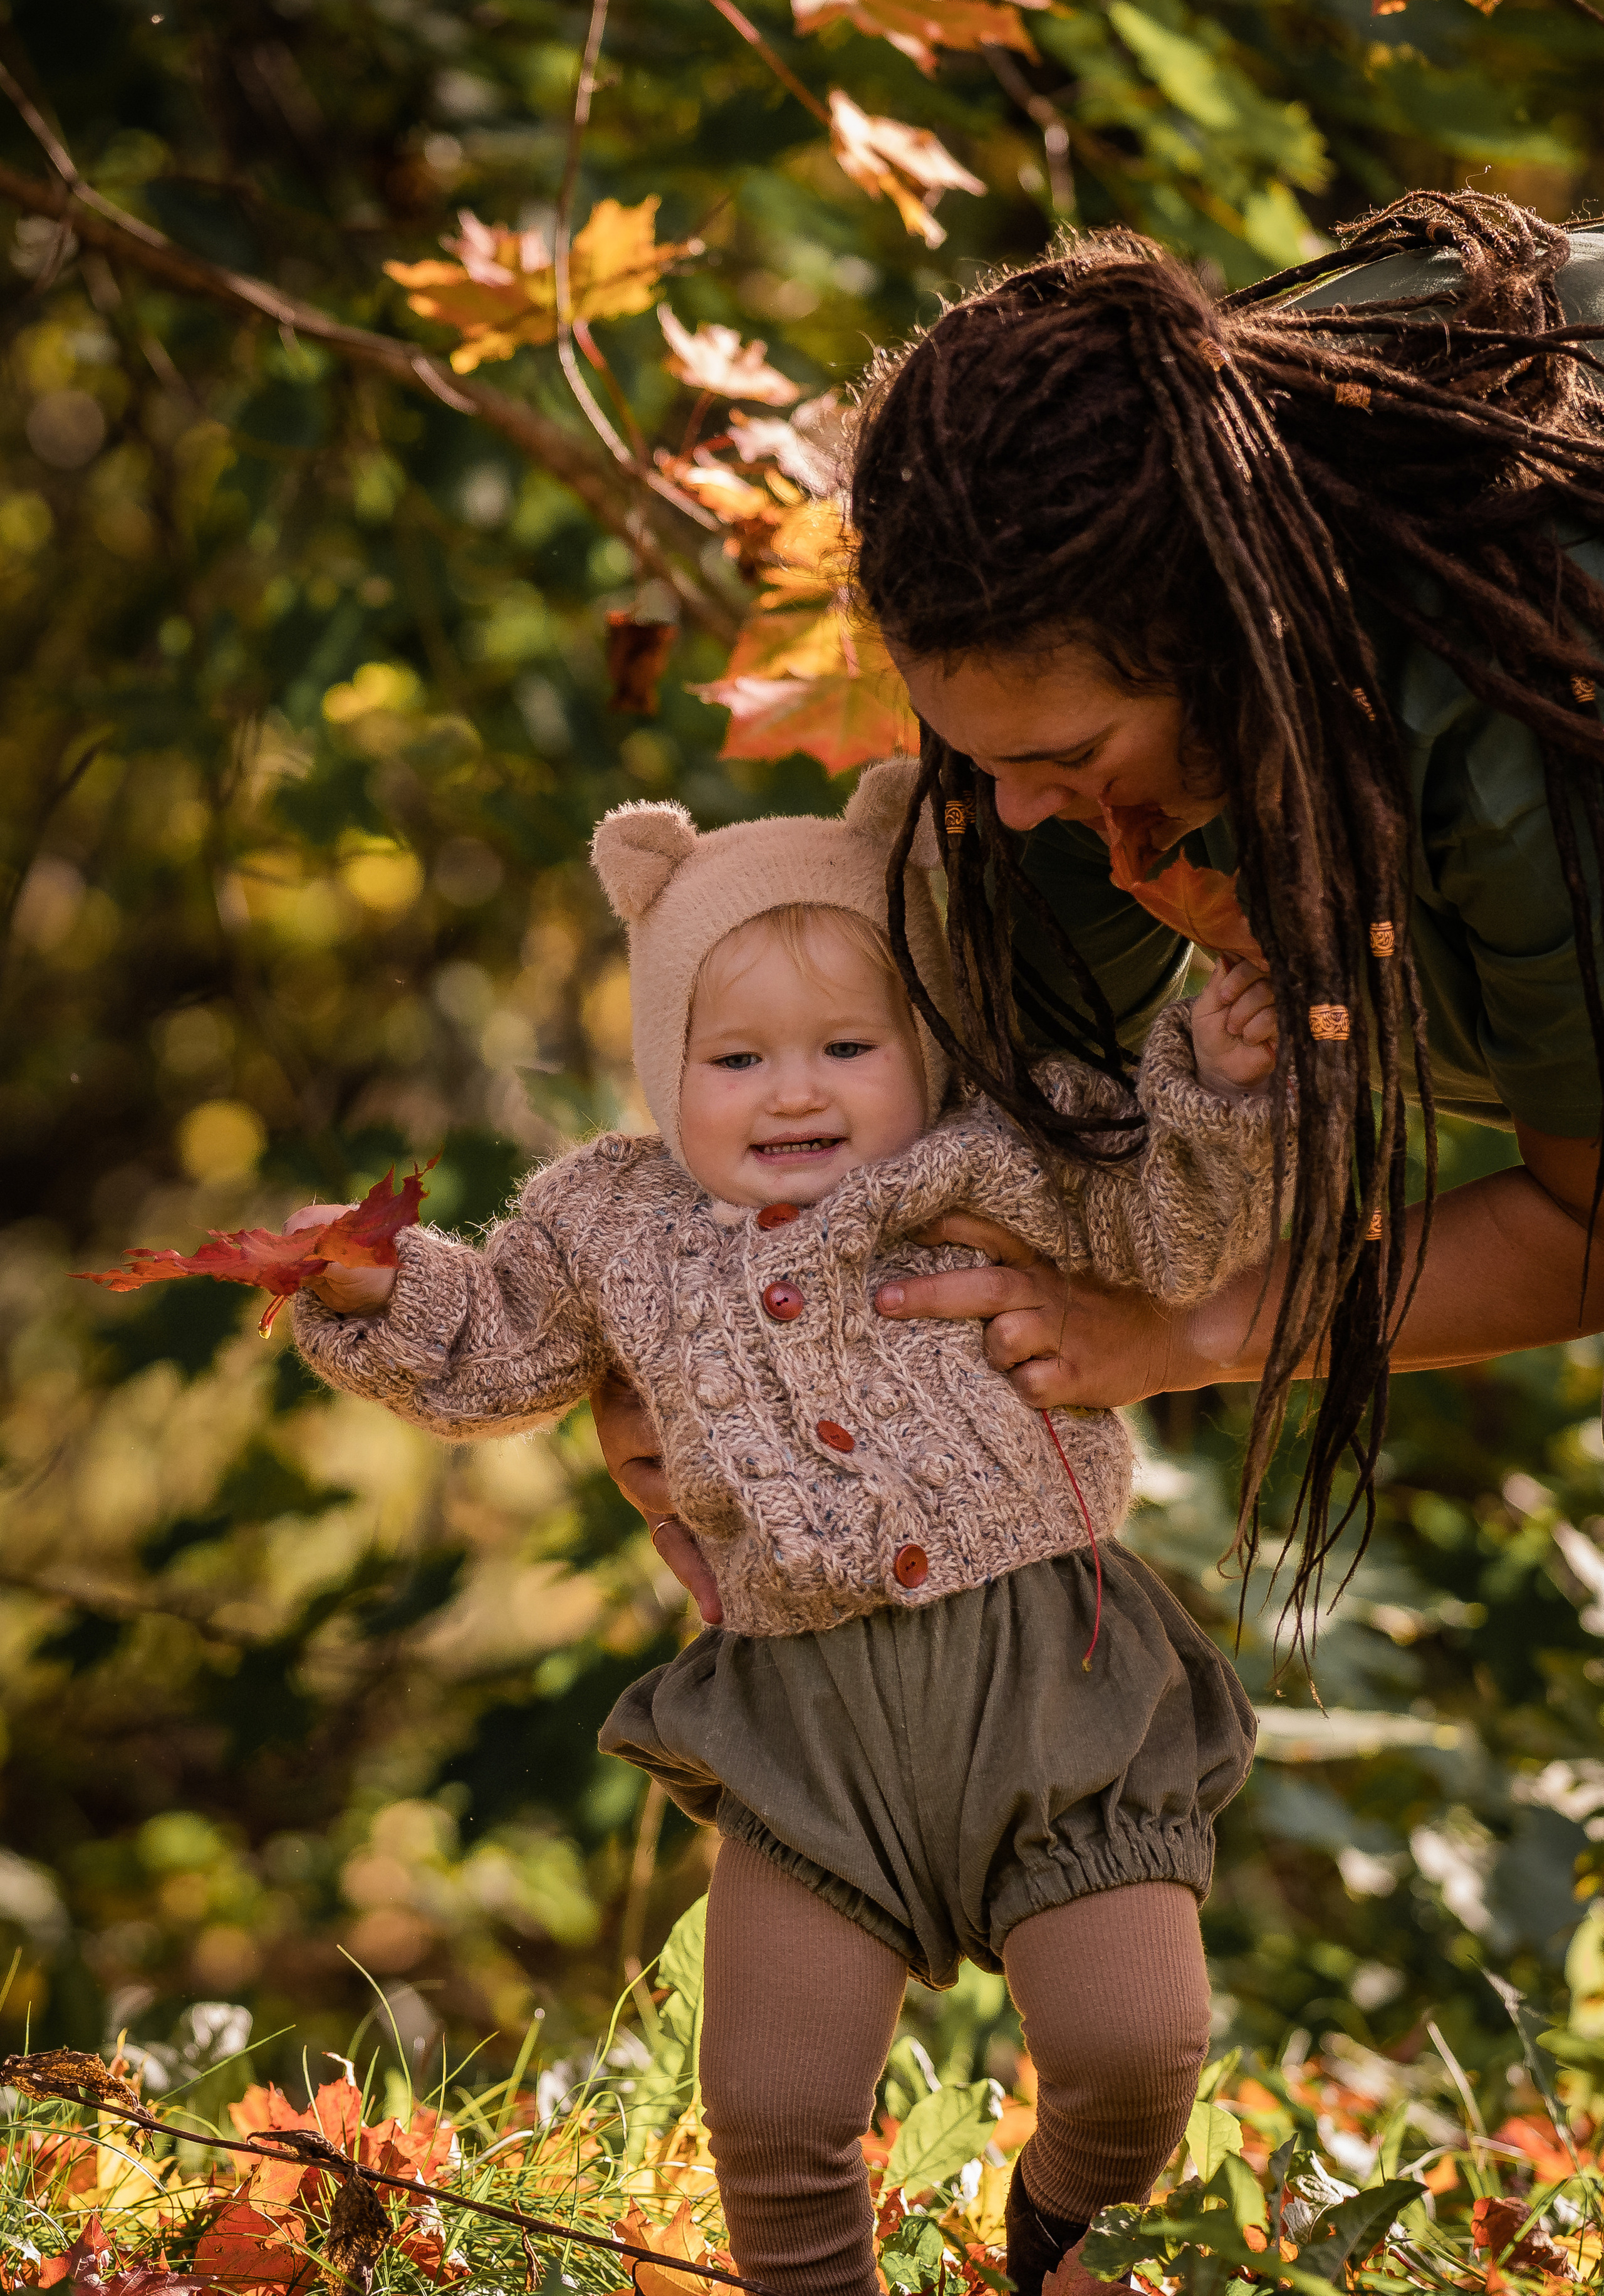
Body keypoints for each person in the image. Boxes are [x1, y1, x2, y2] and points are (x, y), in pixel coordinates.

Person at [283, 756, 1283, 2296]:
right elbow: (492, 1346)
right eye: (734, 1056)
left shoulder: (990, 1152)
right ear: (659, 1063)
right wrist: (373, 1282)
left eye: (844, 1045)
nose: (795, 1088)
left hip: (1045, 1676)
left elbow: (1168, 1225)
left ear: (925, 1042)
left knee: (1134, 2048)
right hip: (800, 1727)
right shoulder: (610, 1221)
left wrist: (1212, 1085)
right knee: (770, 2108)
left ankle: (1062, 2235)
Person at [834, 186, 1604, 1619]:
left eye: (1057, 758)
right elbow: (969, 1148)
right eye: (979, 755)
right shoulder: (1096, 525)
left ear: (1225, 637)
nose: (1008, 808)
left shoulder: (1520, 719)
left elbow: (1590, 1224)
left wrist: (1179, 1332)